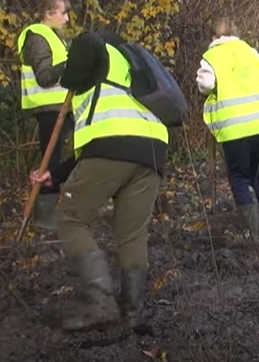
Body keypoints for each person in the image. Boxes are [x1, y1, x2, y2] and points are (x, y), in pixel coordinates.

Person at [29, 31, 168, 331]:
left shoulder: (93, 50)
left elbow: (104, 133)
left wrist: (69, 67)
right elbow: (104, 134)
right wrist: (59, 172)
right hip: (153, 148)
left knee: (71, 218)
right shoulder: (131, 61)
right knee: (132, 234)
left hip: (112, 144)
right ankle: (132, 313)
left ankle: (101, 305)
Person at [197, 18, 259, 243]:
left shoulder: (212, 57)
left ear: (213, 36)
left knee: (238, 178)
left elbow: (205, 85)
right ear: (235, 33)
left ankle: (252, 235)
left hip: (234, 127)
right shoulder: (251, 52)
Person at [16, 0, 73, 229]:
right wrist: (71, 65)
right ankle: (44, 216)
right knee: (50, 159)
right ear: (48, 13)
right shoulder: (37, 38)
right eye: (63, 13)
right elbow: (44, 77)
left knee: (74, 152)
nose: (67, 19)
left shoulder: (54, 37)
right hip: (49, 108)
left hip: (63, 107)